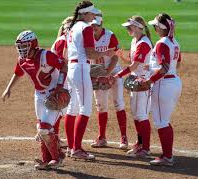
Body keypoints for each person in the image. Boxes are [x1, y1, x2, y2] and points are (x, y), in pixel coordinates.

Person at [1, 30, 68, 170]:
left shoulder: (46, 56)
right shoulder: (22, 60)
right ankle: (46, 159)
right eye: (20, 46)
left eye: (24, 46)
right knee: (41, 129)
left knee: (44, 129)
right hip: (40, 95)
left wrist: (60, 87)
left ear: (33, 44)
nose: (21, 49)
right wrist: (8, 88)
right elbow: (17, 73)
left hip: (55, 95)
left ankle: (58, 157)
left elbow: (64, 65)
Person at [64, 0, 115, 160]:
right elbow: (91, 53)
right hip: (80, 69)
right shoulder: (85, 28)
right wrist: (106, 52)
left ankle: (71, 146)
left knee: (72, 108)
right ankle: (77, 149)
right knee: (85, 109)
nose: (94, 15)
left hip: (72, 69)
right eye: (92, 12)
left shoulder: (73, 27)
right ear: (85, 14)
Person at [140, 13, 182, 166]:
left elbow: (163, 69)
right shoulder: (174, 42)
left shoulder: (161, 43)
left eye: (155, 26)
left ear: (160, 27)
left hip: (163, 84)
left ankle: (167, 157)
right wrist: (151, 67)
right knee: (164, 120)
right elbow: (175, 64)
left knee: (161, 121)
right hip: (174, 82)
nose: (154, 28)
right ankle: (167, 154)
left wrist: (149, 80)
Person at [115, 16, 153, 158]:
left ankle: (146, 148)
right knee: (136, 115)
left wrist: (117, 76)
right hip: (135, 82)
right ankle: (140, 143)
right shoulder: (134, 41)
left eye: (129, 27)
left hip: (144, 82)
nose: (127, 29)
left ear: (138, 27)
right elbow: (133, 61)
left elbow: (135, 66)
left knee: (141, 115)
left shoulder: (144, 43)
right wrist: (122, 56)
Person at [89, 11, 128, 149]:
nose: (94, 28)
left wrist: (107, 73)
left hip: (113, 71)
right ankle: (102, 138)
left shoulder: (109, 36)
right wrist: (97, 74)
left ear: (101, 24)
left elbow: (115, 57)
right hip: (97, 73)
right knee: (101, 106)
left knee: (118, 103)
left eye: (96, 26)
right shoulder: (87, 37)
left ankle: (123, 138)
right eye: (92, 26)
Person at [50, 16, 73, 140]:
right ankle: (54, 135)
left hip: (67, 77)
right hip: (61, 78)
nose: (69, 29)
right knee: (60, 108)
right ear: (64, 29)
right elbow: (60, 64)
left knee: (63, 109)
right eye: (68, 27)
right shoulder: (62, 41)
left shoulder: (71, 40)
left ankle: (55, 136)